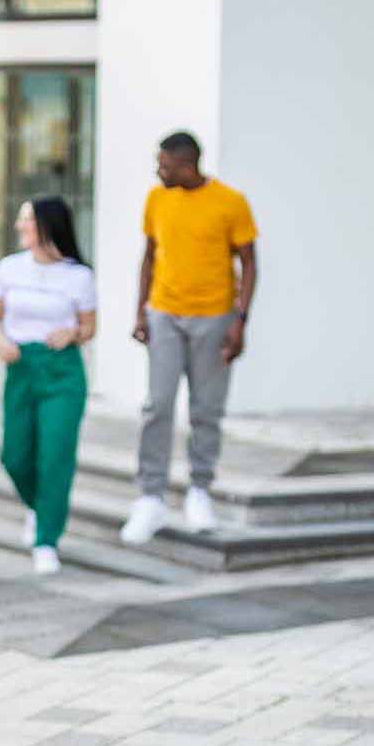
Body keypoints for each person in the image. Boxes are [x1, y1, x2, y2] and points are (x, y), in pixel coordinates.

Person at [120, 130, 258, 544]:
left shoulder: (230, 203)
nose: (158, 171)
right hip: (164, 314)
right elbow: (149, 256)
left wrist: (240, 320)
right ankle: (151, 497)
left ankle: (199, 490)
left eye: (165, 164)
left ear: (187, 164)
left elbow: (249, 263)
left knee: (206, 409)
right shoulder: (157, 199)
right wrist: (140, 309)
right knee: (157, 405)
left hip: (214, 318)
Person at [0, 196, 97, 575]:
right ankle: (40, 507)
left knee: (55, 456)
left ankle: (47, 538)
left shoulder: (78, 275)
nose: (19, 226)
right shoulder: (8, 269)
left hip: (62, 372)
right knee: (13, 455)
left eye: (27, 220)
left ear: (47, 226)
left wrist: (73, 332)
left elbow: (89, 327)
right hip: (21, 367)